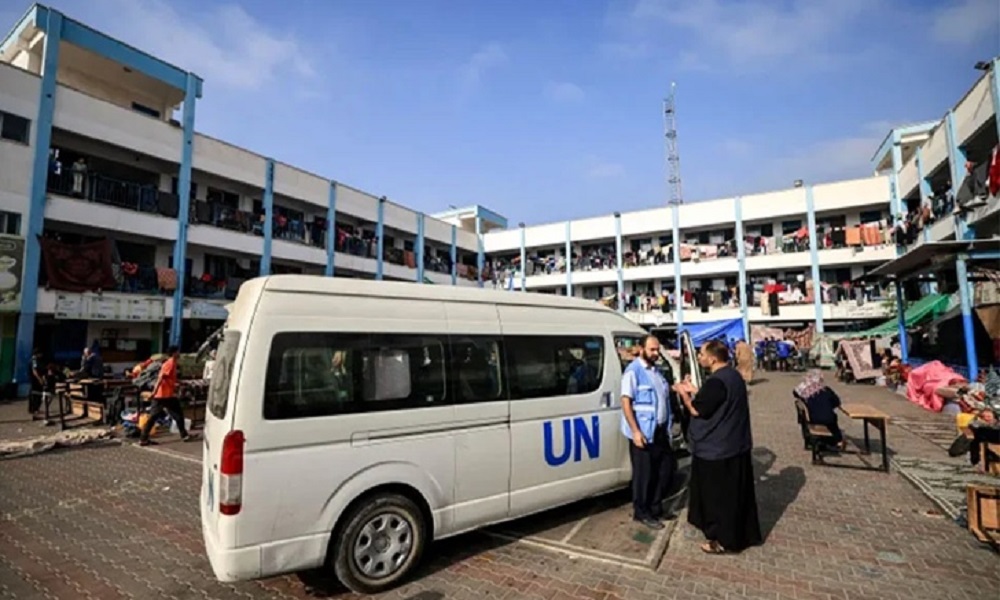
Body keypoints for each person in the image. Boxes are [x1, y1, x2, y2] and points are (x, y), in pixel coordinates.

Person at [674, 340, 762, 554]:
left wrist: (683, 394)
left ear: (713, 358)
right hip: (735, 446)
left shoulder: (717, 382)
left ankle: (721, 540)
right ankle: (736, 536)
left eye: (702, 354)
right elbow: (714, 399)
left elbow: (698, 410)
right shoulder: (733, 377)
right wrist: (696, 390)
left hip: (717, 450)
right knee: (735, 497)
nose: (700, 357)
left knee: (718, 500)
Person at [620, 334, 674, 529]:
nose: (656, 353)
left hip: (659, 430)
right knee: (644, 475)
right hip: (643, 431)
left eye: (657, 349)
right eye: (652, 350)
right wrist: (635, 431)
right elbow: (626, 402)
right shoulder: (633, 372)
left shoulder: (656, 371)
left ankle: (655, 507)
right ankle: (641, 512)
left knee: (665, 469)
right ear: (642, 349)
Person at [139, 346, 193, 446]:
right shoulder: (170, 363)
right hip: (162, 395)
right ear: (174, 353)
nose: (179, 353)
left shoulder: (172, 363)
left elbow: (169, 379)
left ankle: (184, 435)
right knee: (156, 417)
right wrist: (154, 392)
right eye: (178, 352)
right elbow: (160, 378)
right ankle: (143, 438)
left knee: (176, 415)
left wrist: (179, 383)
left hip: (168, 395)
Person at [794, 371, 846, 450]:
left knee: (829, 417)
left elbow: (795, 392)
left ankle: (820, 440)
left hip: (812, 419)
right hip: (828, 419)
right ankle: (838, 440)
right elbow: (837, 402)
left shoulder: (804, 392)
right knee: (833, 417)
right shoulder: (826, 390)